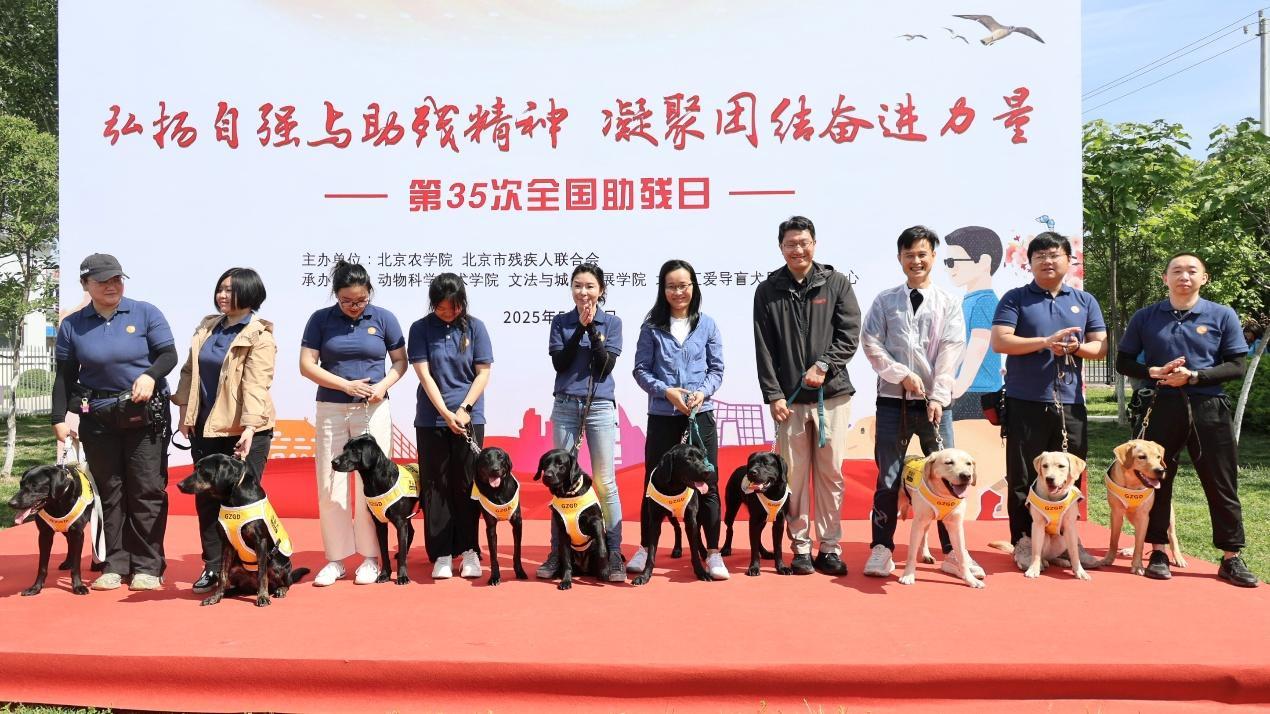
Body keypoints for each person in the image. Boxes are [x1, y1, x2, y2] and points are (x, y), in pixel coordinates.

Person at [1116, 252, 1257, 587]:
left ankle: (1231, 556)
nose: (1184, 276)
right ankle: (1158, 551)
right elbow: (1123, 361)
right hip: (1160, 405)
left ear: (1204, 278)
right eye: (1176, 271)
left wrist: (1194, 376)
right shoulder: (1146, 316)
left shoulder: (1222, 315)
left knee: (1221, 481)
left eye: (1192, 271)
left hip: (1209, 407)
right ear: (1164, 278)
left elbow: (1237, 365)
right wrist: (1153, 371)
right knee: (1155, 479)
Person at [52, 254, 177, 591]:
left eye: (117, 279)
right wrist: (58, 418)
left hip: (143, 415)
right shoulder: (73, 325)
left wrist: (150, 376)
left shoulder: (145, 312)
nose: (112, 286)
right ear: (85, 284)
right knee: (109, 490)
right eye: (103, 281)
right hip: (97, 416)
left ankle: (148, 565)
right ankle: (115, 563)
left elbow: (168, 355)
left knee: (146, 489)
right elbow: (65, 376)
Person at [990, 232, 1107, 569]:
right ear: (1030, 262)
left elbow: (1100, 347)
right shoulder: (1016, 298)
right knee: (1023, 477)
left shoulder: (1085, 301)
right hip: (1025, 401)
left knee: (1070, 474)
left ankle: (1069, 543)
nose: (1047, 261)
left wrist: (1075, 348)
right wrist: (1045, 342)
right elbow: (1001, 341)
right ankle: (1024, 542)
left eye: (1054, 254)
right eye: (1039, 256)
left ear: (1069, 260)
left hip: (1070, 403)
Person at [753, 216, 861, 576]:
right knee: (793, 478)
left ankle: (829, 547)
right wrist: (774, 394)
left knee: (831, 474)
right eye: (790, 244)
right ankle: (800, 547)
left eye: (804, 243)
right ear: (780, 247)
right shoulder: (768, 290)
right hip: (790, 402)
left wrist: (825, 365)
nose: (798, 250)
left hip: (833, 397)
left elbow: (849, 333)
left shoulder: (836, 283)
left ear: (814, 244)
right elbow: (764, 347)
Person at [861, 226, 970, 578]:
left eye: (922, 254)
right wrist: (900, 374)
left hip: (935, 406)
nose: (916, 261)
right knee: (888, 478)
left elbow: (951, 351)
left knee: (947, 475)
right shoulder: (885, 301)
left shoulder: (948, 302)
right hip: (892, 402)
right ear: (900, 258)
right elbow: (871, 343)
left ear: (933, 256)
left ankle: (952, 554)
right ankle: (881, 548)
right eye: (909, 255)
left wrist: (938, 395)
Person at [300, 261, 407, 586]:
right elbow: (307, 365)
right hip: (331, 408)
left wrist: (382, 386)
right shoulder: (320, 320)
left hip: (372, 410)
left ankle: (371, 557)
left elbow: (400, 362)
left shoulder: (384, 318)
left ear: (369, 293)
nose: (354, 306)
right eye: (346, 301)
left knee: (372, 485)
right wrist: (345, 386)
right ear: (336, 295)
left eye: (360, 300)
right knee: (329, 482)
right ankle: (336, 559)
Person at [172, 268, 276, 595]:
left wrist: (250, 427)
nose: (223, 295)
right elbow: (189, 372)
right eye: (221, 289)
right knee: (206, 502)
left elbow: (257, 385)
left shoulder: (259, 335)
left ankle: (254, 569)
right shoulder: (207, 327)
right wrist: (185, 413)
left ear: (250, 294)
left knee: (243, 504)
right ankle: (214, 567)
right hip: (205, 429)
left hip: (245, 431)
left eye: (231, 290)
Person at [630, 259, 728, 579]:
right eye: (671, 286)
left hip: (700, 416)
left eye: (683, 285)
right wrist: (666, 392)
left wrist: (702, 392)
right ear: (663, 290)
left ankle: (713, 552)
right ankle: (645, 546)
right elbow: (641, 370)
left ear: (693, 287)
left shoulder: (707, 325)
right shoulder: (652, 327)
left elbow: (717, 369)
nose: (678, 292)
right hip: (663, 415)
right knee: (653, 484)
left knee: (708, 482)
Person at [539, 263, 625, 582]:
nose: (583, 292)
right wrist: (579, 328)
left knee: (604, 481)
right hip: (565, 404)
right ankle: (557, 553)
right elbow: (560, 363)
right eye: (578, 285)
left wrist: (592, 330)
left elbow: (604, 366)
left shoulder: (612, 323)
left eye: (589, 286)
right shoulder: (560, 322)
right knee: (559, 482)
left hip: (599, 405)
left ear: (601, 290)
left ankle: (612, 552)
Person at [408, 273, 493, 579]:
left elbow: (483, 372)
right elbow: (424, 375)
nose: (447, 313)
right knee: (436, 485)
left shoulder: (476, 327)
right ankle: (441, 553)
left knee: (468, 485)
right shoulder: (420, 328)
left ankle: (470, 550)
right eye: (441, 308)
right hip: (431, 419)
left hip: (469, 417)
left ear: (462, 303)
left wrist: (464, 409)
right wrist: (445, 412)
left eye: (453, 307)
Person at [943, 226, 1005, 421]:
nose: (949, 268)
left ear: (984, 262)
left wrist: (958, 387)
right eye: (947, 262)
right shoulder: (970, 300)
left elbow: (978, 346)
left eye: (953, 262)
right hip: (967, 389)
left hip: (979, 393)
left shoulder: (984, 302)